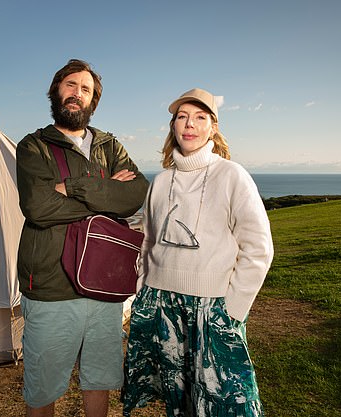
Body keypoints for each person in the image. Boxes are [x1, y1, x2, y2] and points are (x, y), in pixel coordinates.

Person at [121, 88, 274, 416]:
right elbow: (148, 241)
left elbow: (259, 248)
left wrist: (234, 308)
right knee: (179, 403)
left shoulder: (232, 176)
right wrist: (142, 289)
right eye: (182, 117)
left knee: (226, 405)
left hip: (213, 307)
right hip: (162, 305)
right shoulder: (161, 182)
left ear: (213, 128)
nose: (190, 124)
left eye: (200, 117)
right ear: (174, 126)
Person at [15, 59, 149, 417]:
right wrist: (103, 195)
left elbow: (135, 195)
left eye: (85, 89)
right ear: (56, 92)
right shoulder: (34, 146)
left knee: (99, 379)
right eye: (70, 85)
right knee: (43, 388)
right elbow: (38, 207)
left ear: (93, 101)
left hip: (104, 284)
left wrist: (71, 188)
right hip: (50, 287)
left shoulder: (109, 146)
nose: (77, 93)